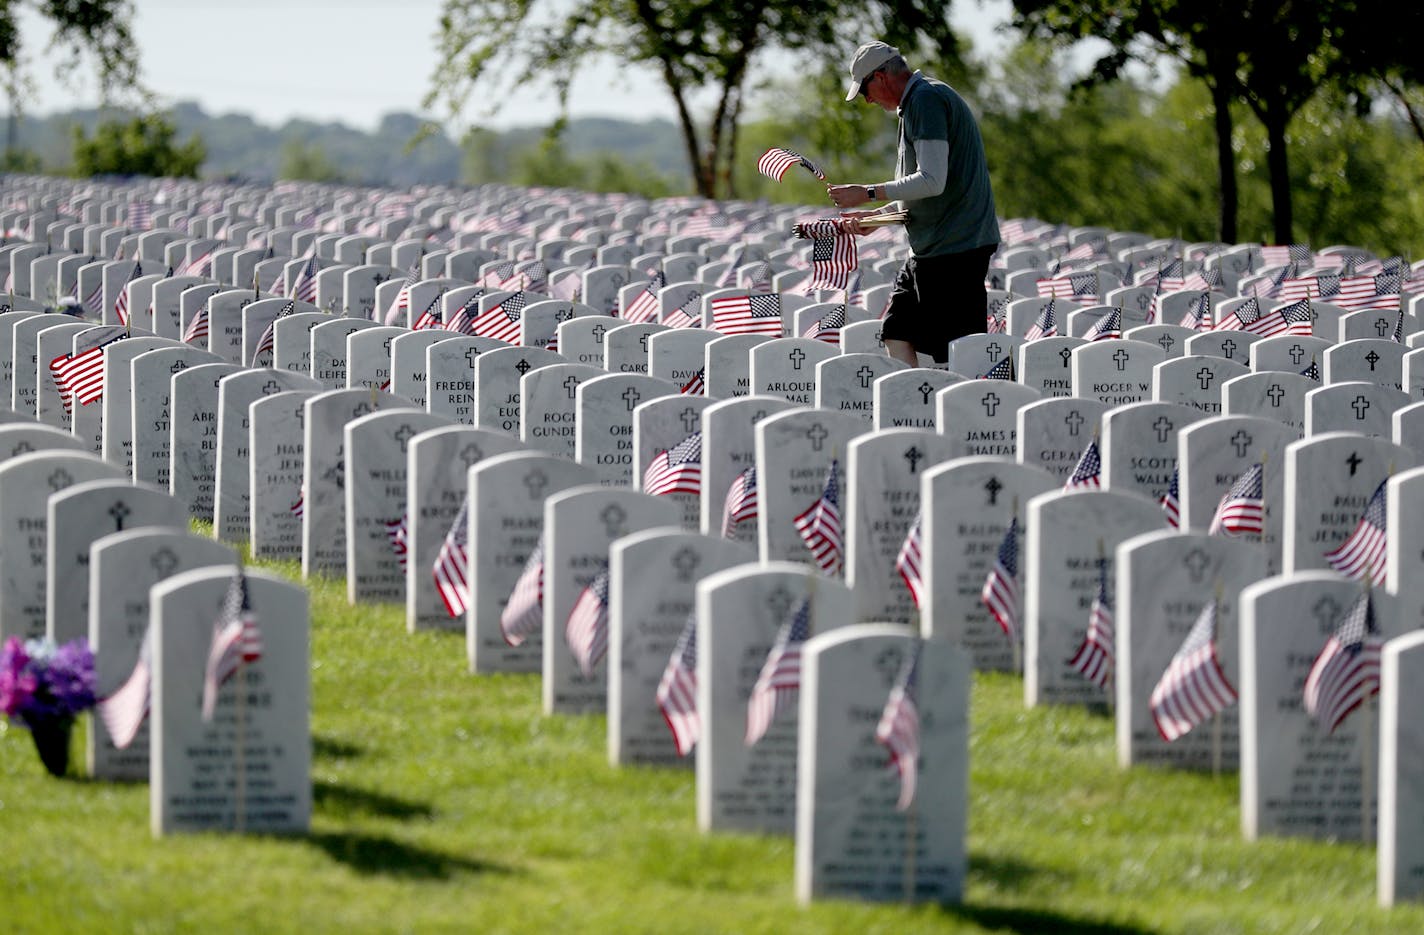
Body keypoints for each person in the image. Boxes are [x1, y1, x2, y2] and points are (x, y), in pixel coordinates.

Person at [829, 41, 999, 366]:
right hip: (931, 247)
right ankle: (913, 408)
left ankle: (970, 413)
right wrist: (874, 218)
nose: (866, 100)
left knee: (958, 355)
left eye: (865, 90)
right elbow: (916, 190)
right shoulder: (914, 104)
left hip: (955, 248)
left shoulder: (926, 99)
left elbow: (932, 181)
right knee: (897, 330)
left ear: (880, 77)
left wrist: (866, 192)